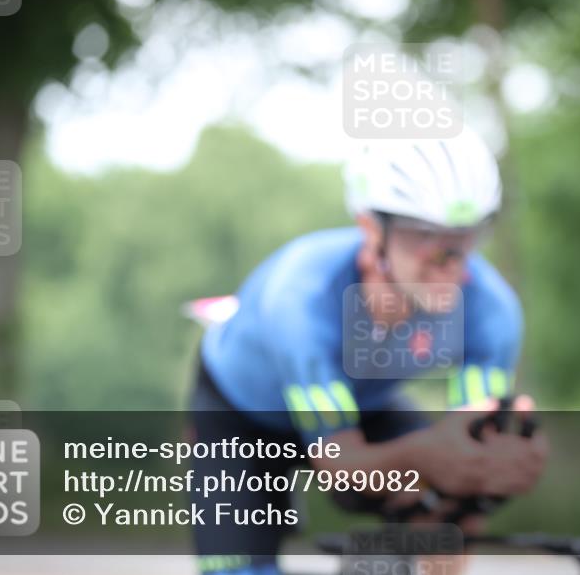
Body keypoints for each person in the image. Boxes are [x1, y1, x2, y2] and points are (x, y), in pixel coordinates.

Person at [189, 131, 546, 575]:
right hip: (239, 419)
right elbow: (339, 463)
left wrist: (486, 467)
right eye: (426, 236)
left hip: (361, 407)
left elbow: (467, 452)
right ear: (371, 229)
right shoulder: (302, 297)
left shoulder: (491, 309)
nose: (452, 262)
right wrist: (426, 457)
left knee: (449, 505)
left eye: (466, 237)